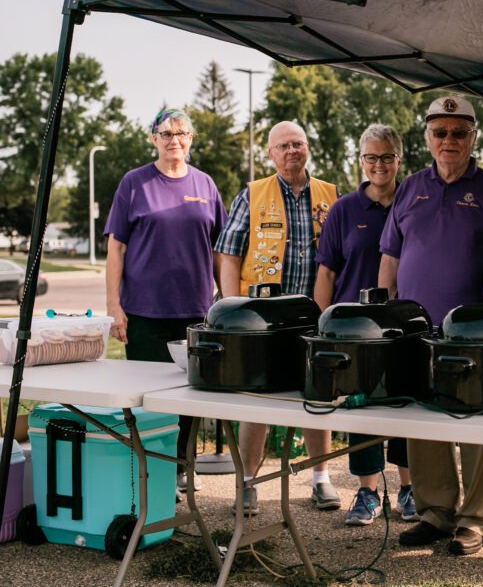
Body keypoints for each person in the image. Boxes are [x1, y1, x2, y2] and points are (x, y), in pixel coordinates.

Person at [379, 95, 483, 555]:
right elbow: (390, 256)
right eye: (440, 132)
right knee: (424, 424)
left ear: (473, 137)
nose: (449, 141)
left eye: (459, 132)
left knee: (476, 424)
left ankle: (476, 519)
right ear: (427, 137)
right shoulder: (410, 187)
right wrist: (387, 314)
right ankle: (435, 512)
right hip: (417, 330)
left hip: (474, 334)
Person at [215, 120, 341, 516]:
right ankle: (248, 483)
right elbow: (229, 254)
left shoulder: (331, 195)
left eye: (298, 144)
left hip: (312, 317)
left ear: (308, 148)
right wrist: (236, 312)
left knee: (316, 396)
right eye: (284, 146)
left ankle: (320, 478)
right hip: (263, 324)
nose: (292, 151)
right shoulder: (253, 194)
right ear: (270, 154)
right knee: (258, 401)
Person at [105, 108, 225, 498]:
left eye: (182, 132)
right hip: (143, 313)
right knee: (146, 400)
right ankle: (147, 473)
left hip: (195, 313)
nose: (175, 139)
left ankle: (179, 470)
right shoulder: (134, 183)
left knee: (189, 398)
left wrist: (225, 302)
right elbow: (116, 248)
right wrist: (114, 306)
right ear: (152, 137)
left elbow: (222, 251)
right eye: (166, 133)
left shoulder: (206, 185)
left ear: (191, 139)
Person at [312, 124, 416, 526]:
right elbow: (326, 271)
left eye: (387, 157)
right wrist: (320, 326)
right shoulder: (343, 209)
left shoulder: (414, 201)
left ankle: (408, 489)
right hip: (355, 330)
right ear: (361, 161)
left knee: (407, 406)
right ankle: (368, 492)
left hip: (403, 325)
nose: (379, 165)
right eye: (371, 157)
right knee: (363, 408)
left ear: (399, 160)